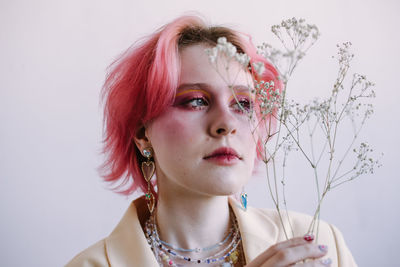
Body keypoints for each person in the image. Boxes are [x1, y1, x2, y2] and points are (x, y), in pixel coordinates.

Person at [66, 15, 357, 267]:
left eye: (243, 103)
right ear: (143, 133)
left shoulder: (317, 243)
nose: (226, 124)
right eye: (195, 101)